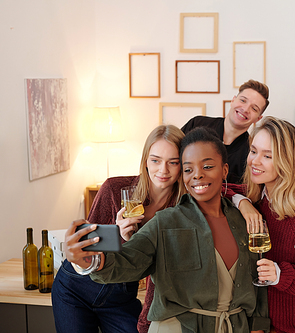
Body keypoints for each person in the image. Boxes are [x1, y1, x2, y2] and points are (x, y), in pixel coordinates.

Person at [64, 127, 270, 333]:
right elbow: (128, 260)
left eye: (207, 166)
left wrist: (258, 326)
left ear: (224, 170)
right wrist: (87, 260)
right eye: (189, 169)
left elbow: (258, 280)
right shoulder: (166, 220)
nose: (197, 175)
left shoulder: (245, 221)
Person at [52, 125, 185, 333]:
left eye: (173, 162)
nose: (163, 170)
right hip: (76, 288)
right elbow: (88, 247)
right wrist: (118, 237)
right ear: (146, 162)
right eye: (156, 160)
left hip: (121, 296)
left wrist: (242, 201)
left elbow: (158, 275)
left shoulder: (180, 210)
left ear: (183, 164)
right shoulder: (114, 190)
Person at [230, 116, 295, 333]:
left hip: (293, 325)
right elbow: (215, 187)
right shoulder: (255, 196)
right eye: (253, 151)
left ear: (287, 161)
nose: (255, 161)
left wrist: (280, 274)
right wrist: (241, 202)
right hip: (255, 323)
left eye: (267, 155)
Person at [182, 79, 270, 184]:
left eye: (254, 109)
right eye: (243, 100)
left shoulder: (251, 153)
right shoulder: (197, 124)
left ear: (258, 119)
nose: (246, 109)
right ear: (233, 101)